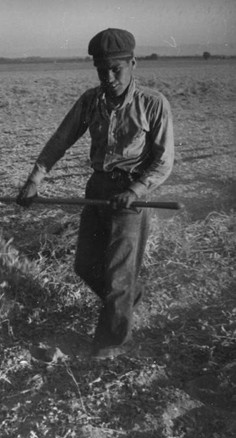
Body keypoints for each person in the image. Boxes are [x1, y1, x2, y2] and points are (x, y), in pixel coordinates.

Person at [16, 28, 174, 359]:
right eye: (102, 70)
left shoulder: (153, 104)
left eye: (116, 69)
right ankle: (129, 296)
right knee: (86, 266)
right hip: (97, 189)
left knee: (117, 279)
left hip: (132, 196)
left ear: (133, 63)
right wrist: (35, 179)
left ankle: (107, 348)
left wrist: (134, 190)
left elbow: (163, 161)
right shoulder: (91, 101)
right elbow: (61, 139)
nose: (110, 77)